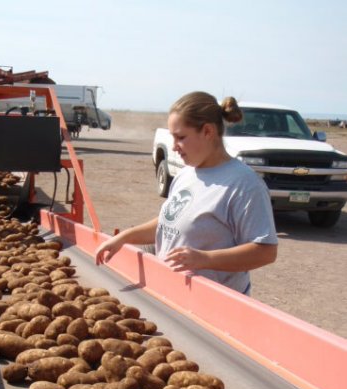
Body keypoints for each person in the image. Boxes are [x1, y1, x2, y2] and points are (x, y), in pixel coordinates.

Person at [95, 91, 278, 295]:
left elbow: (266, 251)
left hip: (213, 306)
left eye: (181, 137)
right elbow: (171, 221)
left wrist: (204, 259)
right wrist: (125, 237)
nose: (174, 147)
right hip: (173, 295)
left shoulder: (244, 184)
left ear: (208, 131)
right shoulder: (186, 174)